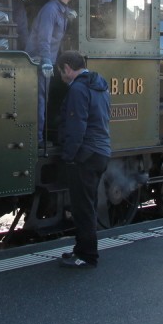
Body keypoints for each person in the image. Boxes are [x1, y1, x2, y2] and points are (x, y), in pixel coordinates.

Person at [54, 50, 111, 269]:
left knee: (83, 208)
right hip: (100, 151)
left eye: (61, 72)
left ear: (67, 68)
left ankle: (87, 255)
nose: (61, 77)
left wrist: (69, 156)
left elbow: (76, 126)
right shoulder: (100, 85)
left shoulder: (78, 89)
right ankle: (83, 249)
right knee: (88, 205)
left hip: (85, 155)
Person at [26, 0, 75, 143]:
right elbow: (43, 38)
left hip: (50, 59)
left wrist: (69, 14)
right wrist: (46, 60)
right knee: (40, 99)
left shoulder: (60, 9)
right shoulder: (50, 10)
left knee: (46, 98)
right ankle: (37, 139)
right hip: (39, 60)